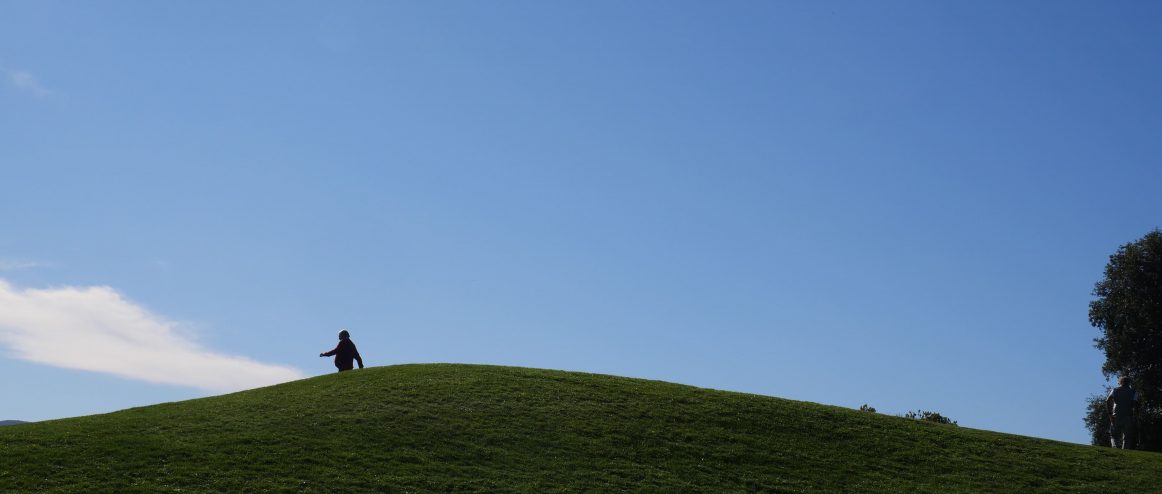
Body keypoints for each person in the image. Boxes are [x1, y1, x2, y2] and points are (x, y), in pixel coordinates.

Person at [1107, 376, 1137, 449]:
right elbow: (1135, 404)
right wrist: (1135, 416)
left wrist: (1110, 414)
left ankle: (1115, 448)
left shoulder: (1114, 390)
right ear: (1129, 383)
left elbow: (1108, 400)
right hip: (1128, 416)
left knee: (1113, 435)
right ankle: (1125, 451)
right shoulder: (1133, 392)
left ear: (1120, 382)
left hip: (1116, 415)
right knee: (1127, 437)